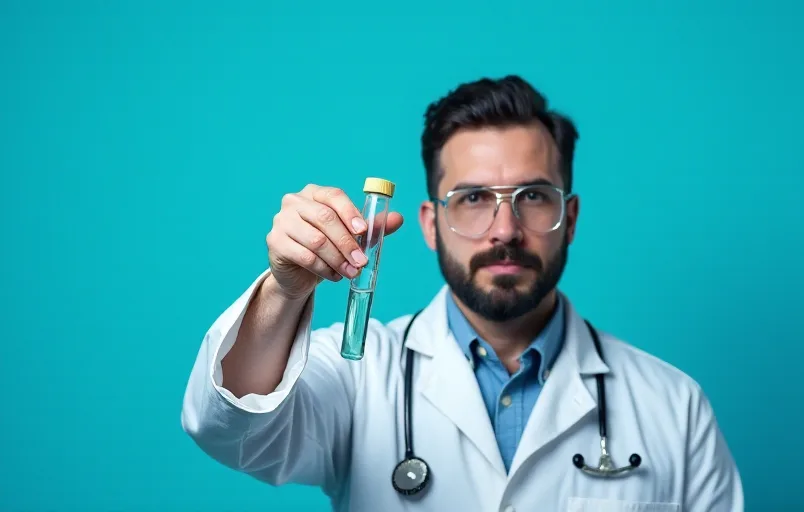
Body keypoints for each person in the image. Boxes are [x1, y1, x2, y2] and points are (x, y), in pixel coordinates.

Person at [181, 75, 744, 511]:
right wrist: (285, 289)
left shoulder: (674, 406)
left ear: (569, 219)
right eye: (473, 198)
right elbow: (233, 430)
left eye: (533, 196)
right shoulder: (359, 373)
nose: (504, 230)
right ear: (429, 223)